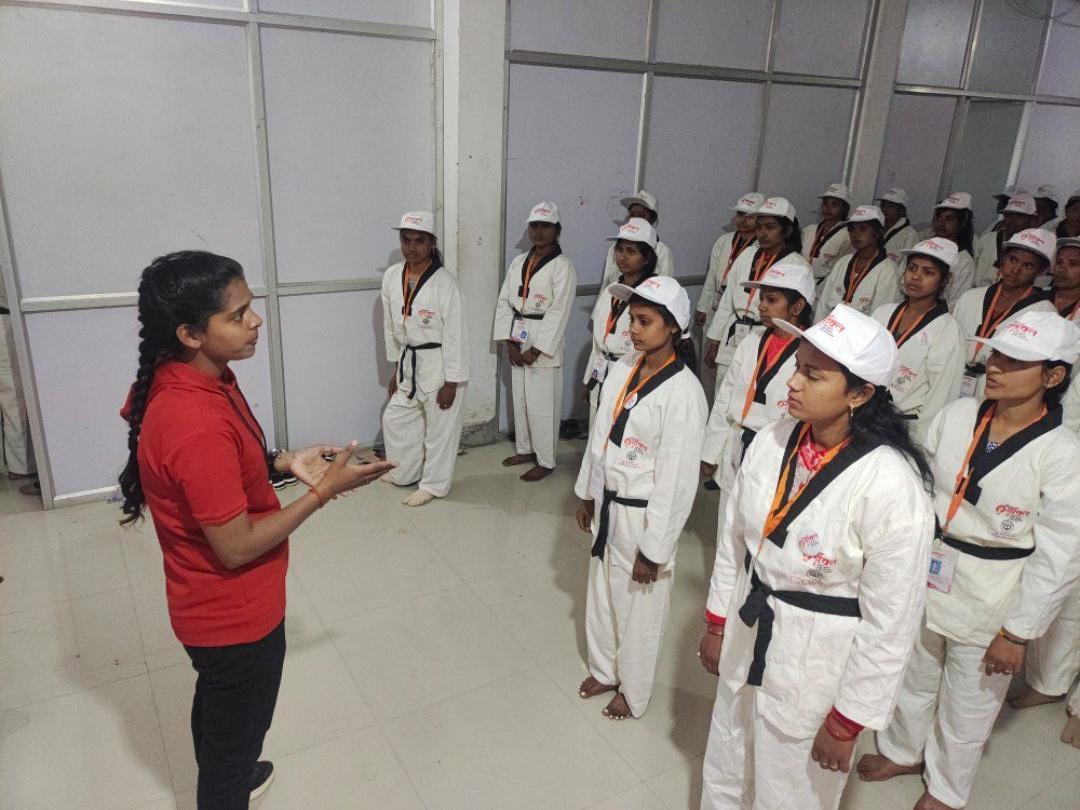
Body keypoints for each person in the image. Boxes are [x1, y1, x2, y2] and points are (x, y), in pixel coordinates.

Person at [117, 251, 393, 810]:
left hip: (215, 607)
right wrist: (323, 492)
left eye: (251, 306)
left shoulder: (199, 376)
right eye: (238, 314)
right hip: (232, 616)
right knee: (234, 733)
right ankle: (230, 781)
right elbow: (236, 546)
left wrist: (282, 462)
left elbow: (222, 470)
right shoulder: (192, 421)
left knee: (222, 708)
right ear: (190, 334)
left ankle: (236, 769)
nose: (256, 321)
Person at [698, 303, 935, 810]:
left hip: (817, 657)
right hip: (750, 623)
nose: (793, 383)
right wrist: (717, 622)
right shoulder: (772, 439)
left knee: (790, 791)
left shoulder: (891, 484)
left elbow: (891, 621)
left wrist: (848, 721)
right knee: (726, 761)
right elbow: (733, 541)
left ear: (860, 393)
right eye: (797, 366)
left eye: (813, 375)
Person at [859, 310, 1080, 810]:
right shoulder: (959, 414)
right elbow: (922, 486)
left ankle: (946, 788)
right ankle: (903, 750)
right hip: (934, 563)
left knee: (970, 700)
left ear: (1052, 376)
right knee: (914, 671)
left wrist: (1017, 633)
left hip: (994, 590)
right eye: (997, 353)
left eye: (1015, 361)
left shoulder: (1062, 452)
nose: (995, 365)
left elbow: (1061, 555)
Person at [573, 275, 706, 720]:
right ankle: (604, 668)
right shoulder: (624, 367)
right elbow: (600, 437)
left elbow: (677, 480)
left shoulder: (684, 392)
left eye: (645, 321)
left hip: (643, 514)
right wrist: (588, 493)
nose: (632, 329)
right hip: (609, 501)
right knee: (601, 595)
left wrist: (655, 549)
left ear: (674, 327)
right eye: (632, 319)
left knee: (640, 609)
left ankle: (633, 690)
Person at [1006, 236, 1080, 750]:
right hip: (1055, 447)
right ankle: (1049, 681)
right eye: (1064, 261)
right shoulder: (1041, 312)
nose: (1067, 269)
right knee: (1057, 571)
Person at [700, 262, 813, 499]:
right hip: (736, 443)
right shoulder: (751, 341)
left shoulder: (810, 353)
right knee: (727, 514)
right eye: (761, 298)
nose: (761, 306)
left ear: (798, 306)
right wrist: (710, 452)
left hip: (775, 451)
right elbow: (724, 398)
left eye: (771, 300)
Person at [379, 211, 468, 507]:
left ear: (432, 243)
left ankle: (433, 485)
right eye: (406, 240)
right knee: (396, 418)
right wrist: (396, 369)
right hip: (408, 360)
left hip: (438, 363)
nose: (411, 247)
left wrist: (452, 383)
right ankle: (403, 472)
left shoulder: (445, 283)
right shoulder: (393, 276)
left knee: (439, 432)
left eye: (419, 241)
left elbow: (456, 335)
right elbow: (390, 327)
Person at [493, 201, 578, 481]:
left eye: (545, 226)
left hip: (544, 338)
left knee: (543, 405)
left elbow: (559, 311)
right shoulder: (519, 262)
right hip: (519, 332)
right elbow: (505, 301)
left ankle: (546, 459)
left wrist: (537, 349)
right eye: (534, 226)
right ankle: (526, 449)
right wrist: (510, 342)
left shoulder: (563, 266)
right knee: (520, 399)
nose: (538, 232)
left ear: (557, 230)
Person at [704, 197, 807, 393]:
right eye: (759, 227)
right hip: (734, 332)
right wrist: (715, 340)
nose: (762, 233)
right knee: (722, 391)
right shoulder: (747, 254)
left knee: (751, 391)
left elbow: (799, 315)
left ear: (787, 230)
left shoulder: (798, 265)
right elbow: (727, 299)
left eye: (770, 227)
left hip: (767, 333)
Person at [872, 238, 964, 444]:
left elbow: (942, 395)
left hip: (906, 426)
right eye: (912, 268)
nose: (916, 277)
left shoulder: (948, 329)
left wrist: (921, 443)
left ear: (944, 280)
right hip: (867, 413)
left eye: (928, 272)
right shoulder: (882, 312)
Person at [954, 228, 1056, 400]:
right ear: (1003, 259)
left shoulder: (1045, 313)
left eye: (1028, 265)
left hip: (1001, 390)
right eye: (1012, 259)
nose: (1016, 269)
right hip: (955, 378)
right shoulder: (970, 297)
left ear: (1041, 271)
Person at [582, 218, 658, 425]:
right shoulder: (611, 290)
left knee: (620, 431)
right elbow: (598, 342)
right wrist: (589, 380)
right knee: (596, 431)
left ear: (646, 257)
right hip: (601, 370)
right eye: (620, 249)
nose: (623, 257)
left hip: (630, 372)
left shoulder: (653, 295)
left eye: (631, 251)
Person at [814, 204, 901, 318]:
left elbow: (881, 317)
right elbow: (823, 305)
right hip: (830, 326)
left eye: (863, 228)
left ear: (878, 233)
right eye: (852, 229)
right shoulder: (843, 262)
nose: (855, 234)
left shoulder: (888, 270)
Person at [695, 192, 764, 331]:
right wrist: (702, 307)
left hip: (741, 310)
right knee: (709, 341)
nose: (743, 220)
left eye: (750, 216)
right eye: (740, 214)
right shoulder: (724, 240)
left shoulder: (761, 247)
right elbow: (711, 277)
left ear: (760, 219)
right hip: (716, 304)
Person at [0, 282, 37, 495]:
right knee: (14, 397)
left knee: (13, 398)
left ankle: (21, 464)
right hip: (7, 318)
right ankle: (21, 465)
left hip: (9, 315)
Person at [600, 190, 674, 288]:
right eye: (632, 215)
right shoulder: (614, 248)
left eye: (641, 215)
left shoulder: (662, 251)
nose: (635, 219)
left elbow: (664, 288)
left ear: (652, 219)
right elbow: (607, 284)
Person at [973, 193, 1041, 289]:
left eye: (1020, 216)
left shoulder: (1036, 248)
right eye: (1009, 215)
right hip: (979, 292)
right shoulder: (987, 239)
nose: (1013, 220)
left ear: (1033, 220)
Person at [930, 192, 977, 306]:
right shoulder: (924, 248)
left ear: (962, 223)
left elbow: (955, 304)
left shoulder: (964, 261)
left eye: (949, 219)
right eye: (939, 218)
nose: (941, 223)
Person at [802, 182, 853, 283]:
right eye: (825, 203)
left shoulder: (848, 236)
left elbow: (840, 270)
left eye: (834, 204)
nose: (828, 208)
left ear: (844, 209)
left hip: (825, 285)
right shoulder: (808, 230)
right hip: (800, 281)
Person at [877, 187, 920, 264]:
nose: (885, 209)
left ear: (902, 210)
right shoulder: (874, 229)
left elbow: (907, 264)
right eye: (883, 205)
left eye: (890, 206)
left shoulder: (910, 234)